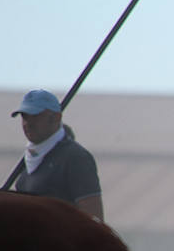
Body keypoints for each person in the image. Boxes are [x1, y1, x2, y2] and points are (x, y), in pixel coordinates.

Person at [10, 89, 104, 221]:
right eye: (24, 116)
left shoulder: (76, 158)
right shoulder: (27, 163)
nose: (28, 123)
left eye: (36, 116)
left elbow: (94, 220)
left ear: (56, 118)